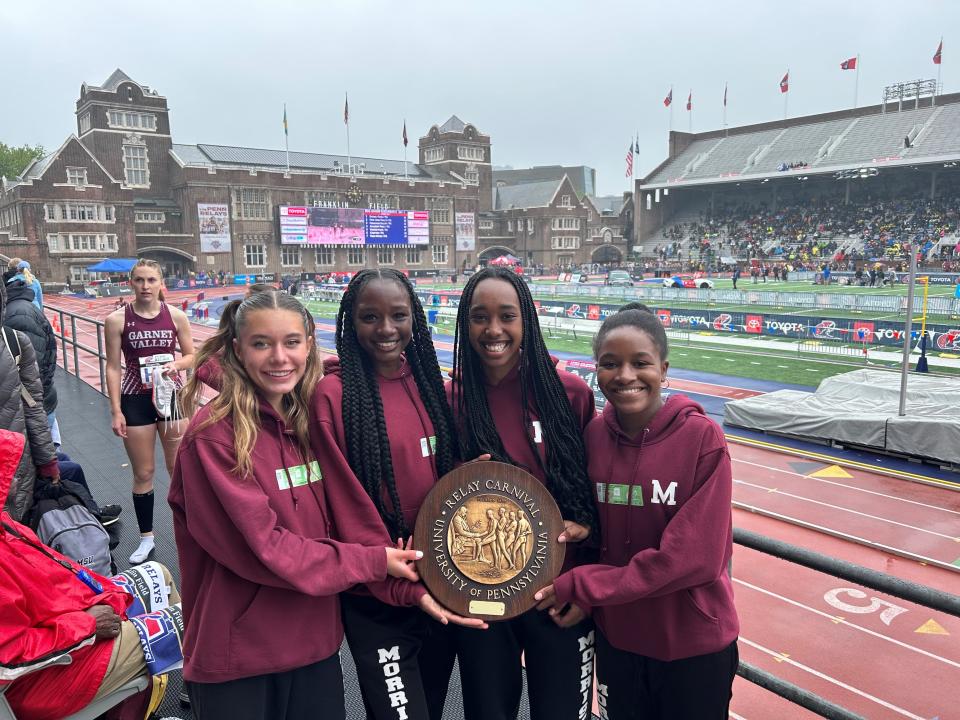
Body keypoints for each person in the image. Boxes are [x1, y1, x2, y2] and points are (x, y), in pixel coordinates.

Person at [169, 290, 428, 720]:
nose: (279, 357)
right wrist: (372, 561)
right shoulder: (214, 437)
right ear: (237, 349)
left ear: (309, 344)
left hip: (315, 650)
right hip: (239, 659)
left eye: (291, 342)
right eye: (261, 344)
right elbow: (267, 550)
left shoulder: (312, 419)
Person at [535, 304, 739, 720]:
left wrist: (586, 586)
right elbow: (597, 532)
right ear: (597, 371)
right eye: (611, 364)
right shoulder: (593, 436)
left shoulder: (703, 439)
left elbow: (692, 561)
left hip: (692, 648)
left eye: (640, 363)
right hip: (619, 642)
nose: (625, 375)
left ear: (663, 369)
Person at [312, 269, 482, 720]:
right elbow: (345, 501)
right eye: (370, 316)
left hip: (439, 581)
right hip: (378, 598)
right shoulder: (333, 397)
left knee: (429, 706)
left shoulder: (434, 389)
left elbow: (446, 482)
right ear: (351, 322)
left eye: (398, 315)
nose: (386, 329)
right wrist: (389, 576)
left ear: (415, 320)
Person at [447, 267, 599, 720]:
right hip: (483, 596)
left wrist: (586, 586)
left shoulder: (568, 394)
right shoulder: (453, 399)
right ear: (464, 324)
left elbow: (594, 497)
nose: (493, 330)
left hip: (560, 594)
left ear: (526, 321)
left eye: (506, 316)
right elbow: (441, 498)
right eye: (479, 317)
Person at [0, 429, 182, 720]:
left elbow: (55, 579)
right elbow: (9, 659)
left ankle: (140, 711)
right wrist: (85, 623)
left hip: (61, 633)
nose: (16, 479)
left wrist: (105, 595)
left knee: (158, 575)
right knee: (189, 624)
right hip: (45, 679)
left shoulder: (5, 524)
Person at [104, 259, 194, 564]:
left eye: (151, 280)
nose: (145, 286)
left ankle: (191, 532)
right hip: (136, 400)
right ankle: (146, 538)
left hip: (171, 397)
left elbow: (192, 355)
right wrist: (116, 409)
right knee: (144, 472)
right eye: (140, 280)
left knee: (179, 472)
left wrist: (176, 365)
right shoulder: (117, 320)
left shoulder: (177, 316)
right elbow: (114, 367)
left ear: (160, 283)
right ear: (131, 283)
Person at [0, 281, 59, 521]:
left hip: (15, 464)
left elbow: (33, 405)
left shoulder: (15, 342)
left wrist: (47, 460)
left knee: (16, 534)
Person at [2, 272, 57, 439]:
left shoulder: (17, 313)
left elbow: (32, 371)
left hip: (32, 411)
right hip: (33, 408)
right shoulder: (16, 309)